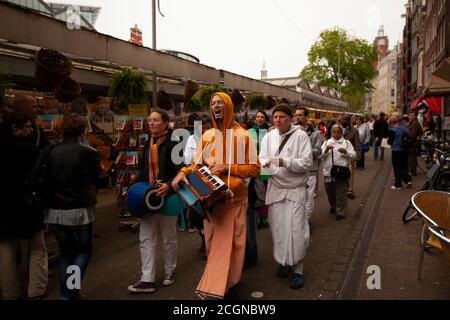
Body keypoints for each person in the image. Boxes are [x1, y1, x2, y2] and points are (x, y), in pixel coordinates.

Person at [172, 92, 260, 300]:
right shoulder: (208, 135)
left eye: (220, 102)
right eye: (213, 103)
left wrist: (227, 166)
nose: (216, 106)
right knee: (213, 246)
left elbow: (255, 169)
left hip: (233, 200)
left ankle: (226, 286)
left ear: (228, 106)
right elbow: (196, 165)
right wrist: (183, 173)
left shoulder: (243, 135)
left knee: (230, 247)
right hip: (209, 202)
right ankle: (223, 283)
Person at [128, 109, 185, 294]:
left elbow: (181, 170)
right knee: (146, 238)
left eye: (155, 120)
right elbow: (144, 168)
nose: (151, 123)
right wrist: (137, 187)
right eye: (149, 120)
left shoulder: (175, 142)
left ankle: (170, 272)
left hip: (167, 197)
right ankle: (147, 279)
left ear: (165, 122)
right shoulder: (148, 141)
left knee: (168, 237)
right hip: (148, 197)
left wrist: (169, 186)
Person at [44, 114, 100, 300]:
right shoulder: (89, 152)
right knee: (82, 252)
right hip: (80, 211)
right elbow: (95, 179)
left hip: (55, 212)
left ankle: (68, 294)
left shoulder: (50, 151)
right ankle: (70, 293)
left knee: (66, 254)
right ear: (82, 131)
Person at [259, 104, 313, 289]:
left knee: (296, 229)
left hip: (295, 189)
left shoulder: (301, 136)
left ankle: (298, 268)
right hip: (276, 188)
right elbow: (261, 157)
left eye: (282, 116)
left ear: (290, 118)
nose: (277, 120)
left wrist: (284, 161)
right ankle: (283, 261)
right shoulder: (268, 137)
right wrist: (264, 165)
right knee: (278, 228)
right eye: (275, 117)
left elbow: (306, 162)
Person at [0, 112, 41, 300]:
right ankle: (33, 289)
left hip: (3, 208)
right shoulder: (30, 151)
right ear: (14, 128)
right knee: (32, 249)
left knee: (6, 252)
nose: (31, 130)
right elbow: (38, 179)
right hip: (25, 207)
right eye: (28, 127)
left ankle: (9, 293)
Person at [183, 114, 211, 260]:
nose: (204, 130)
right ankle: (204, 241)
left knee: (210, 213)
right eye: (202, 127)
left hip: (212, 179)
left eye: (207, 127)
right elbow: (188, 159)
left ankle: (210, 244)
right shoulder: (191, 139)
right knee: (198, 215)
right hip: (196, 179)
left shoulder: (216, 138)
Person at [246, 110, 271, 266]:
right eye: (257, 117)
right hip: (252, 165)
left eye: (262, 117)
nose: (260, 119)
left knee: (265, 190)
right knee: (256, 190)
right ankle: (259, 216)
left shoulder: (269, 131)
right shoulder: (248, 132)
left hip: (266, 165)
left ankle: (264, 217)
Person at [320, 124, 356, 221]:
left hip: (342, 172)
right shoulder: (326, 142)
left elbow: (353, 156)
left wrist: (346, 152)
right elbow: (321, 157)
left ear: (341, 133)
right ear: (331, 133)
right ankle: (333, 206)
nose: (336, 134)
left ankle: (341, 211)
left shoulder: (347, 143)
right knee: (330, 192)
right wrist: (326, 150)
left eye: (338, 132)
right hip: (328, 172)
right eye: (334, 132)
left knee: (341, 192)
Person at [294, 107, 324, 223]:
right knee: (298, 198)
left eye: (300, 115)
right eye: (296, 115)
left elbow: (318, 151)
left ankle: (305, 222)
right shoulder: (293, 131)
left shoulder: (316, 133)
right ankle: (300, 221)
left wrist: (304, 151)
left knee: (308, 197)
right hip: (296, 170)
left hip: (310, 170)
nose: (297, 117)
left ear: (306, 117)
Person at [387, 113, 412, 190]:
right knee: (404, 165)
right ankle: (408, 180)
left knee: (397, 167)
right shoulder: (405, 127)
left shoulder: (393, 129)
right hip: (405, 150)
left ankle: (398, 184)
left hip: (396, 150)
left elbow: (389, 141)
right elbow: (409, 137)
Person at [340, 115, 360, 200]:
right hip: (339, 153)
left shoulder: (354, 131)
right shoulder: (337, 128)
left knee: (351, 171)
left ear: (349, 121)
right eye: (342, 120)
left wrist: (357, 154)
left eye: (345, 120)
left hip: (350, 153)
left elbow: (357, 144)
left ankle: (350, 189)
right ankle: (342, 187)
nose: (343, 121)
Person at [408, 110, 423, 176]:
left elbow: (412, 135)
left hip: (412, 143)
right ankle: (412, 171)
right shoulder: (413, 122)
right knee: (412, 157)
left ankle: (412, 171)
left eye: (412, 116)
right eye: (410, 115)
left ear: (415, 116)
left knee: (412, 157)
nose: (411, 117)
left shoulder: (414, 123)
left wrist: (408, 139)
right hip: (413, 143)